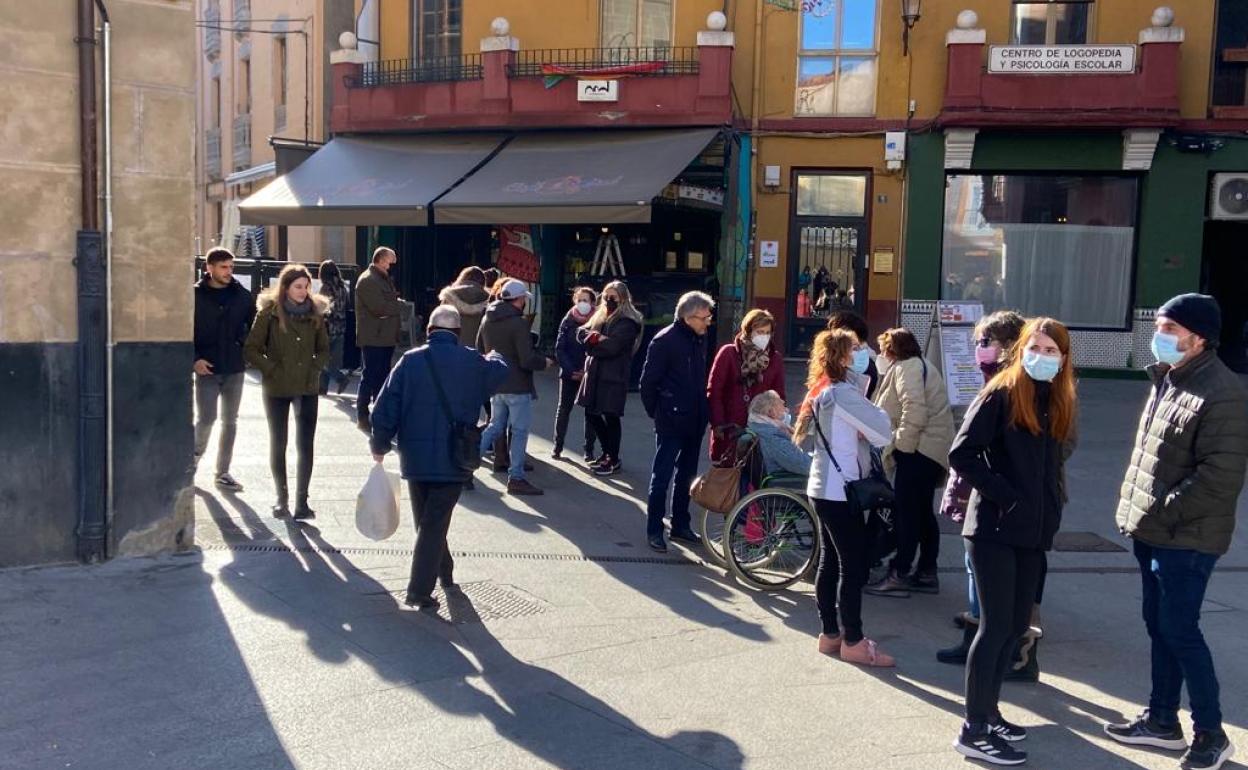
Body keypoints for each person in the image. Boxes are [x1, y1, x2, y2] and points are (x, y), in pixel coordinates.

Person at [1105, 294, 1247, 770]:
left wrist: (1162, 511)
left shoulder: (1222, 392)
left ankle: (1211, 732)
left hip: (1186, 537)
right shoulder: (1168, 378)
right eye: (1160, 327)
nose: (1159, 336)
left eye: (1169, 329)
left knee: (1181, 631)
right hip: (1154, 529)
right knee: (1159, 626)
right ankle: (1163, 720)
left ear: (1198, 337)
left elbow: (1219, 477)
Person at [949, 317, 1077, 766]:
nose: (1041, 357)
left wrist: (1049, 510)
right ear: (1020, 348)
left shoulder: (1055, 399)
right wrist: (1007, 497)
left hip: (1033, 533)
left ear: (1063, 358)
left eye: (1050, 350)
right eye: (1034, 347)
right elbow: (961, 453)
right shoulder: (1002, 393)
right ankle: (974, 727)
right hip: (994, 530)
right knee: (995, 627)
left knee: (1017, 625)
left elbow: (1051, 465)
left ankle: (990, 710)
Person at [370, 305, 509, 610]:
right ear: (458, 333)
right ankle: (419, 590)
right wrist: (496, 356)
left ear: (429, 331)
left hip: (415, 458)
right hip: (455, 457)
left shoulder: (409, 361)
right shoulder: (473, 361)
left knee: (428, 521)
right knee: (433, 522)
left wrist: (379, 442)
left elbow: (386, 405)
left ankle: (444, 573)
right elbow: (499, 372)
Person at [937, 310, 1026, 665]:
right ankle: (978, 637)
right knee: (975, 568)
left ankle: (991, 648)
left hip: (997, 497)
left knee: (988, 573)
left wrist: (998, 487)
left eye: (986, 342)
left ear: (1008, 346)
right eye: (977, 343)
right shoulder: (992, 379)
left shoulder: (1012, 386)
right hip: (982, 492)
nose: (979, 349)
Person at [806, 329, 895, 667]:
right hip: (841, 491)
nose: (863, 354)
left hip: (824, 487)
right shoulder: (844, 394)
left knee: (830, 562)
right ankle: (854, 640)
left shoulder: (825, 391)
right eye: (856, 349)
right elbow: (882, 429)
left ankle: (830, 634)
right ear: (843, 357)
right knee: (853, 567)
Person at [866, 327, 955, 598]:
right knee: (922, 512)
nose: (881, 355)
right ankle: (927, 571)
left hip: (919, 449)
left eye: (884, 349)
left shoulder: (908, 368)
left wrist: (902, 448)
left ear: (894, 350)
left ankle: (900, 572)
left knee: (908, 514)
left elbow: (914, 410)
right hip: (930, 449)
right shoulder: (918, 364)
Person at [244, 264, 330, 520]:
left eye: (307, 286)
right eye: (298, 287)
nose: (304, 291)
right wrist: (271, 369)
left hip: (307, 386)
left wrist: (315, 367)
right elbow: (251, 348)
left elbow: (324, 349)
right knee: (278, 442)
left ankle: (302, 501)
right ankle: (281, 499)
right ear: (286, 287)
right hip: (277, 386)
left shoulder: (316, 314)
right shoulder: (269, 313)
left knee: (305, 444)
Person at [638, 291, 714, 552]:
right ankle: (654, 529)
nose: (708, 322)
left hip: (693, 419)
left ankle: (681, 524)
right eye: (705, 317)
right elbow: (647, 383)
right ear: (689, 317)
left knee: (687, 476)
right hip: (671, 419)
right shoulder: (665, 340)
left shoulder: (698, 339)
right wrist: (659, 413)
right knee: (662, 476)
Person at [477, 279, 554, 496]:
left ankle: (468, 465)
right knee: (519, 432)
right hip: (518, 384)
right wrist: (545, 363)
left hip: (496, 382)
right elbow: (526, 359)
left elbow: (479, 348)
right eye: (523, 299)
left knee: (494, 426)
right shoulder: (518, 323)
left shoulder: (487, 319)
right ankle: (516, 477)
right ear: (519, 300)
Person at [193, 246, 255, 492]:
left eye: (231, 267)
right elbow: (183, 330)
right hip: (206, 368)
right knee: (207, 418)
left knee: (231, 421)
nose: (229, 272)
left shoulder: (241, 295)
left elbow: (255, 324)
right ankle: (192, 461)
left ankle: (223, 472)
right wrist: (194, 359)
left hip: (235, 367)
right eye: (223, 267)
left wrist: (246, 348)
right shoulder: (195, 295)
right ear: (209, 268)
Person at [577, 281, 644, 478]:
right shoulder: (600, 315)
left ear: (623, 298)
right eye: (606, 295)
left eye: (613, 296)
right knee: (591, 413)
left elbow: (614, 347)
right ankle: (607, 452)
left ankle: (612, 458)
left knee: (611, 416)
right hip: (595, 373)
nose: (608, 300)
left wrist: (594, 341)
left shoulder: (628, 321)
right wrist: (596, 339)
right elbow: (581, 333)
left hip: (613, 376)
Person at [707, 309, 786, 465]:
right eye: (759, 332)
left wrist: (777, 421)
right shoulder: (729, 353)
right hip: (731, 429)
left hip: (761, 431)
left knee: (756, 479)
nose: (764, 337)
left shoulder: (774, 359)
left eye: (767, 332)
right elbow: (714, 392)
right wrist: (718, 424)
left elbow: (779, 395)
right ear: (748, 331)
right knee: (728, 480)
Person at [354, 247, 402, 433]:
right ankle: (362, 415)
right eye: (389, 263)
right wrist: (396, 306)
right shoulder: (368, 280)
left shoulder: (381, 279)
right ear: (381, 260)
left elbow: (387, 306)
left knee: (382, 377)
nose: (391, 267)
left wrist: (392, 306)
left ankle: (378, 414)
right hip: (374, 336)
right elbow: (379, 308)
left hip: (385, 336)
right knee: (371, 375)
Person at [553, 286, 599, 461]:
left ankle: (589, 450)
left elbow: (599, 347)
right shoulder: (568, 320)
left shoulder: (598, 321)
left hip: (589, 374)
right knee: (563, 409)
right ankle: (557, 446)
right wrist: (571, 370)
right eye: (579, 300)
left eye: (585, 300)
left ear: (593, 303)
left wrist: (586, 371)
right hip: (569, 373)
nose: (582, 304)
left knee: (591, 412)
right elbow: (560, 348)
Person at [746, 391, 810, 477]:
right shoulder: (773, 438)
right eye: (780, 403)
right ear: (771, 413)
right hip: (786, 483)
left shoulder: (762, 430)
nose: (784, 405)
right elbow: (806, 466)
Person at [317, 260, 351, 396]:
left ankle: (340, 379)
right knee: (331, 359)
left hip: (328, 327)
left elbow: (321, 308)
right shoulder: (343, 288)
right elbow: (348, 305)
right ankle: (322, 387)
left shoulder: (325, 288)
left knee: (323, 359)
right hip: (341, 327)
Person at [438, 266, 490, 350]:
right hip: (478, 351)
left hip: (452, 347)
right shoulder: (489, 299)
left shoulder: (449, 297)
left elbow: (439, 323)